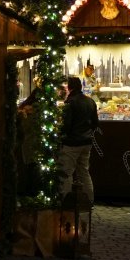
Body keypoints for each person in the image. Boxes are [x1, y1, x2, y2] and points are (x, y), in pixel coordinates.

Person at [57, 76, 98, 207]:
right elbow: (95, 123)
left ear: (69, 87)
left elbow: (67, 126)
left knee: (66, 172)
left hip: (72, 143)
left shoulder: (71, 102)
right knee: (84, 172)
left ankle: (65, 201)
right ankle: (89, 200)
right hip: (86, 142)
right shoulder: (90, 101)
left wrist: (62, 133)